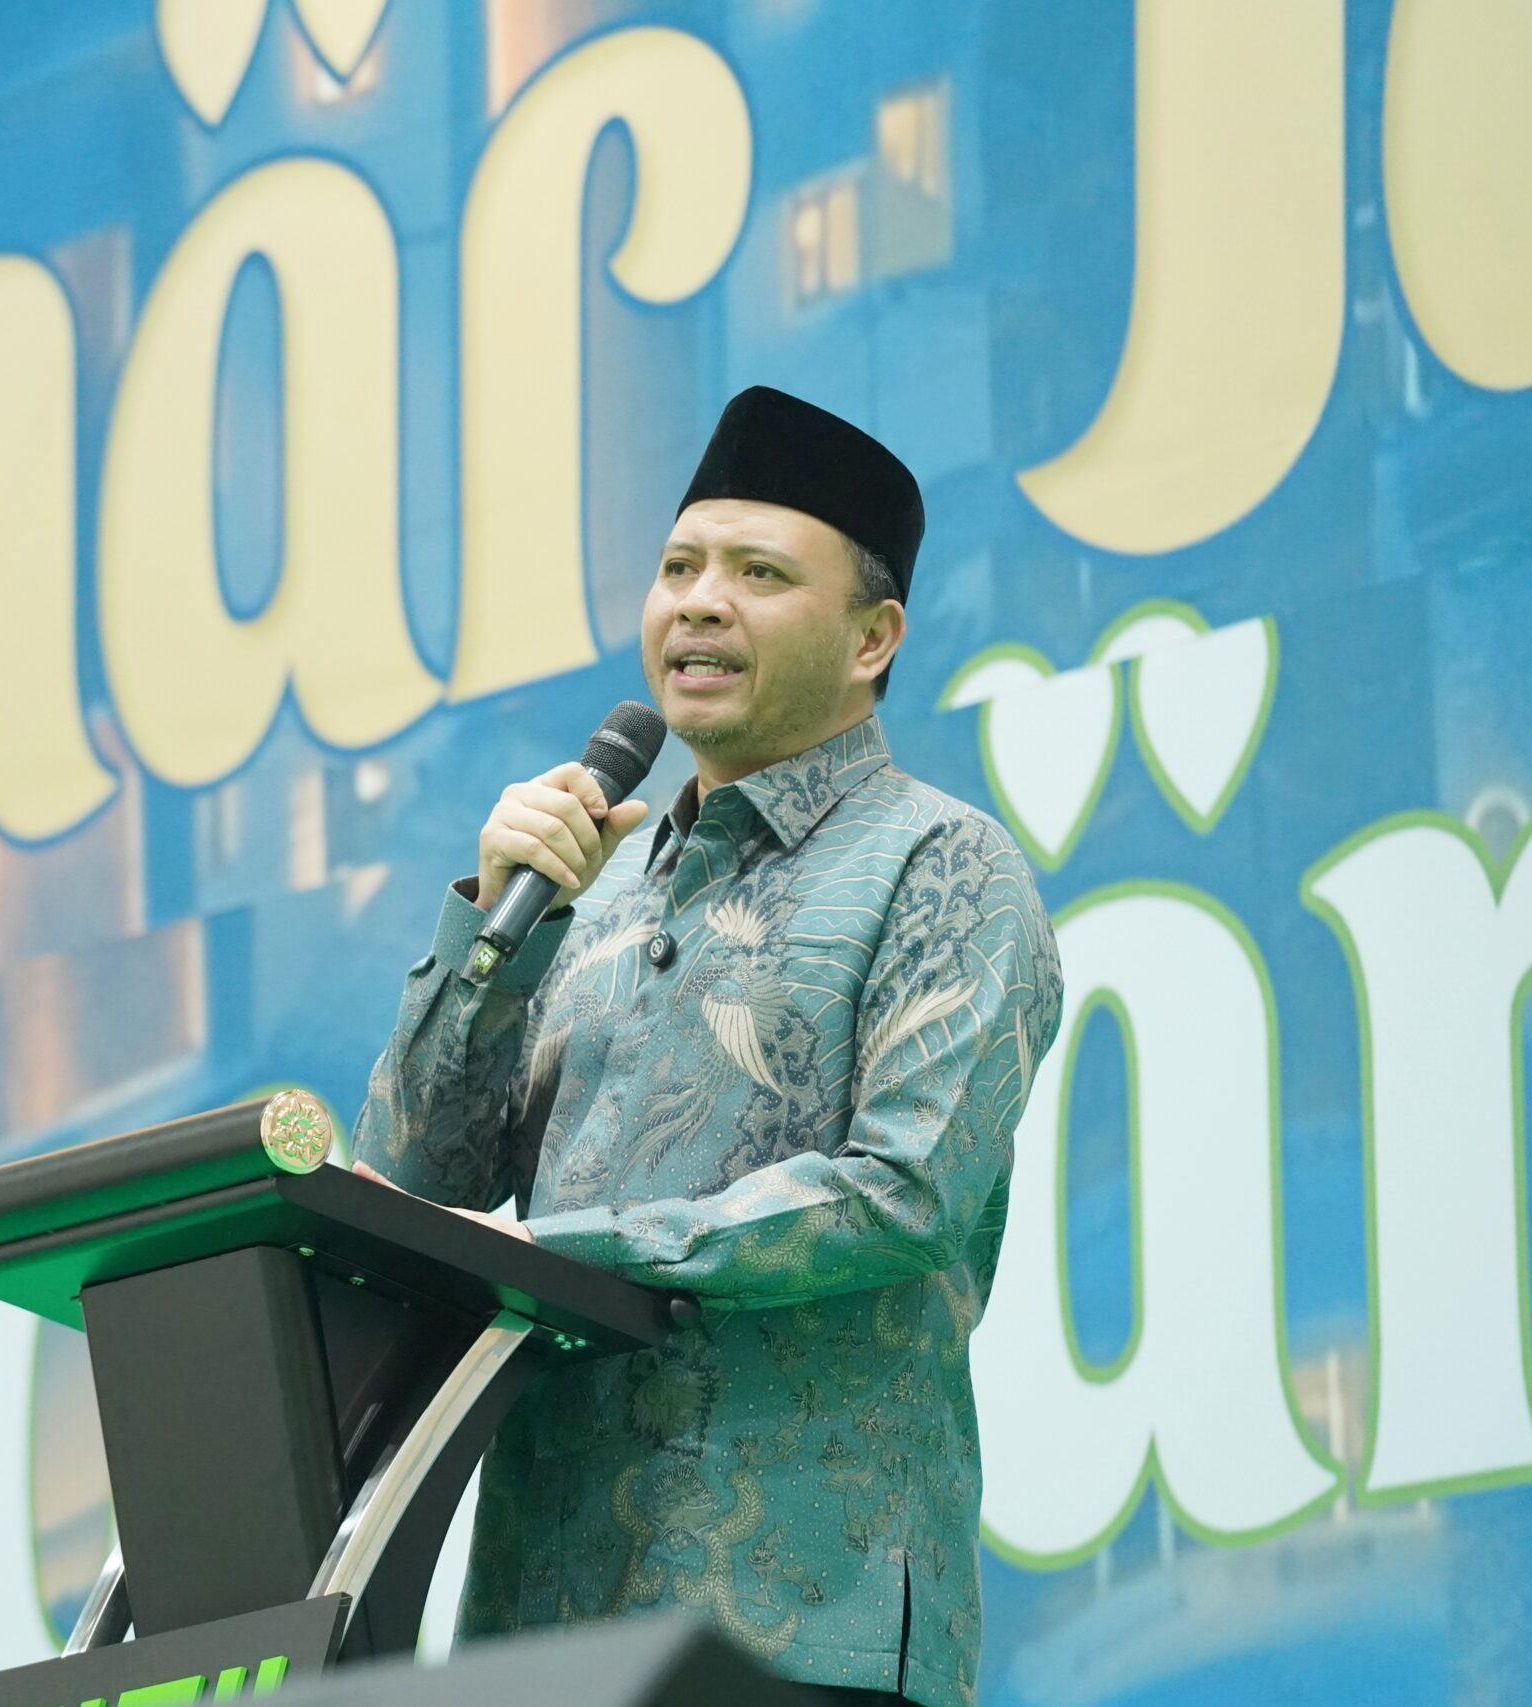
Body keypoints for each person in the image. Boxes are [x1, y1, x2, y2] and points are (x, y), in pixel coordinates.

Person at [353, 386, 1065, 1707]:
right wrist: (489, 925)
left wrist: (568, 1256)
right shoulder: (591, 888)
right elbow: (414, 1181)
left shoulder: (940, 865)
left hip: (800, 1628)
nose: (699, 603)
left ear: (873, 638)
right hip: (543, 1629)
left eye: (758, 574)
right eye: (679, 568)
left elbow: (904, 1195)